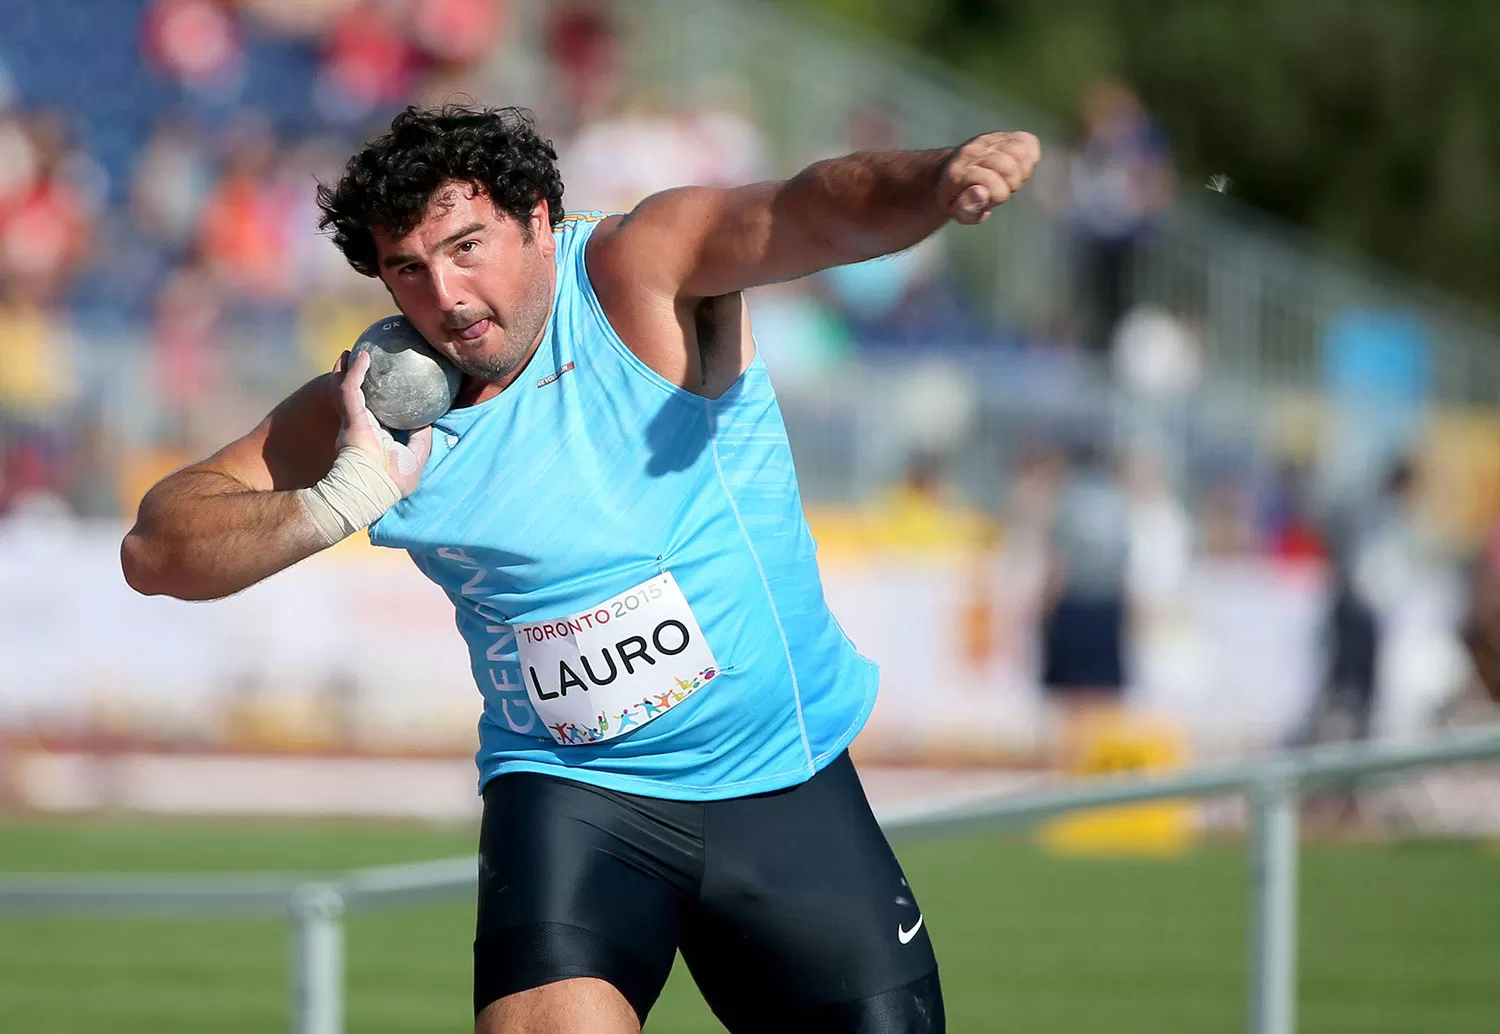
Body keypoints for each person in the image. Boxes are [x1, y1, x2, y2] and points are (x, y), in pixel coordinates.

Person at [120, 104, 1041, 1034]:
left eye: (468, 247)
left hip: (780, 781)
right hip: (572, 795)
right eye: (409, 268)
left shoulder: (639, 272)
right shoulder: (374, 410)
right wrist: (333, 503)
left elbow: (808, 212)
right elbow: (155, 549)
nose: (448, 296)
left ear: (537, 218)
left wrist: (936, 179)